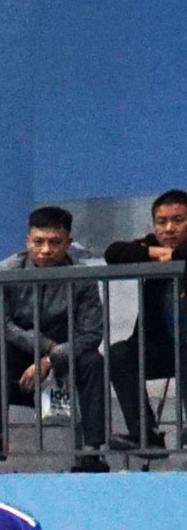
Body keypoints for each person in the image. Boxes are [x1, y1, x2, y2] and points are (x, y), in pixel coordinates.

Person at [0, 206, 112, 472]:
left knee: (94, 362)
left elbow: (90, 334)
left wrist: (51, 358)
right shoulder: (4, 272)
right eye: (38, 242)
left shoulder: (83, 277)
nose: (45, 250)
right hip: (19, 350)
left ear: (69, 243)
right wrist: (43, 347)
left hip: (66, 351)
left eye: (55, 242)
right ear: (27, 240)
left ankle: (92, 452)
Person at [104, 189, 186, 452]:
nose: (169, 228)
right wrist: (154, 251)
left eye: (178, 220)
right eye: (162, 222)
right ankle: (146, 435)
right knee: (119, 353)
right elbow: (113, 253)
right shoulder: (152, 245)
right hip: (159, 347)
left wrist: (176, 257)